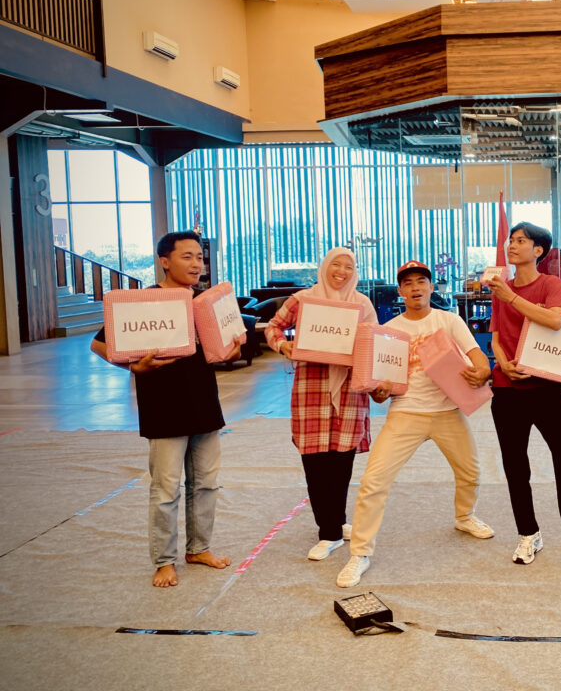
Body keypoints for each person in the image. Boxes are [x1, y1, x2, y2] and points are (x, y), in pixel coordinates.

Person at [90, 231, 237, 587]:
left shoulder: (205, 302)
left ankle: (198, 548)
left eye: (199, 257)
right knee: (166, 490)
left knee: (206, 484)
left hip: (205, 405)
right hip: (164, 409)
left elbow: (220, 347)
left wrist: (229, 351)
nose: (197, 264)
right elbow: (98, 344)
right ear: (165, 261)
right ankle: (164, 560)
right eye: (187, 257)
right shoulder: (144, 301)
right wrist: (133, 366)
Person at [336, 260, 495, 588]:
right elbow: (380, 388)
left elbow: (477, 355)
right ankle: (360, 553)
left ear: (431, 287)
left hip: (447, 410)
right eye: (408, 283)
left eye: (421, 281)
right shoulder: (390, 330)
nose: (415, 288)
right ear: (401, 291)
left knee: (471, 472)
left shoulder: (448, 320)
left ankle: (464, 517)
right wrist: (379, 391)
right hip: (406, 412)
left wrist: (483, 371)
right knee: (373, 481)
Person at [488, 222, 561, 583]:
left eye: (520, 241)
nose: (512, 245)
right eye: (511, 240)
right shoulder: (500, 288)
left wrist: (512, 298)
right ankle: (529, 533)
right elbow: (496, 335)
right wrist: (503, 362)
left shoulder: (550, 284)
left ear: (538, 250)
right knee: (515, 468)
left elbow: (555, 320)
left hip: (547, 390)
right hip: (507, 390)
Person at [265, 247, 376, 562]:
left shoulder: (362, 304)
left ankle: (336, 523)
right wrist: (283, 345)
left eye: (348, 266)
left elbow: (374, 344)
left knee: (341, 464)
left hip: (350, 392)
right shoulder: (304, 300)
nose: (341, 271)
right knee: (315, 464)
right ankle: (328, 532)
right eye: (335, 264)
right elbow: (273, 327)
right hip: (310, 390)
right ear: (325, 266)